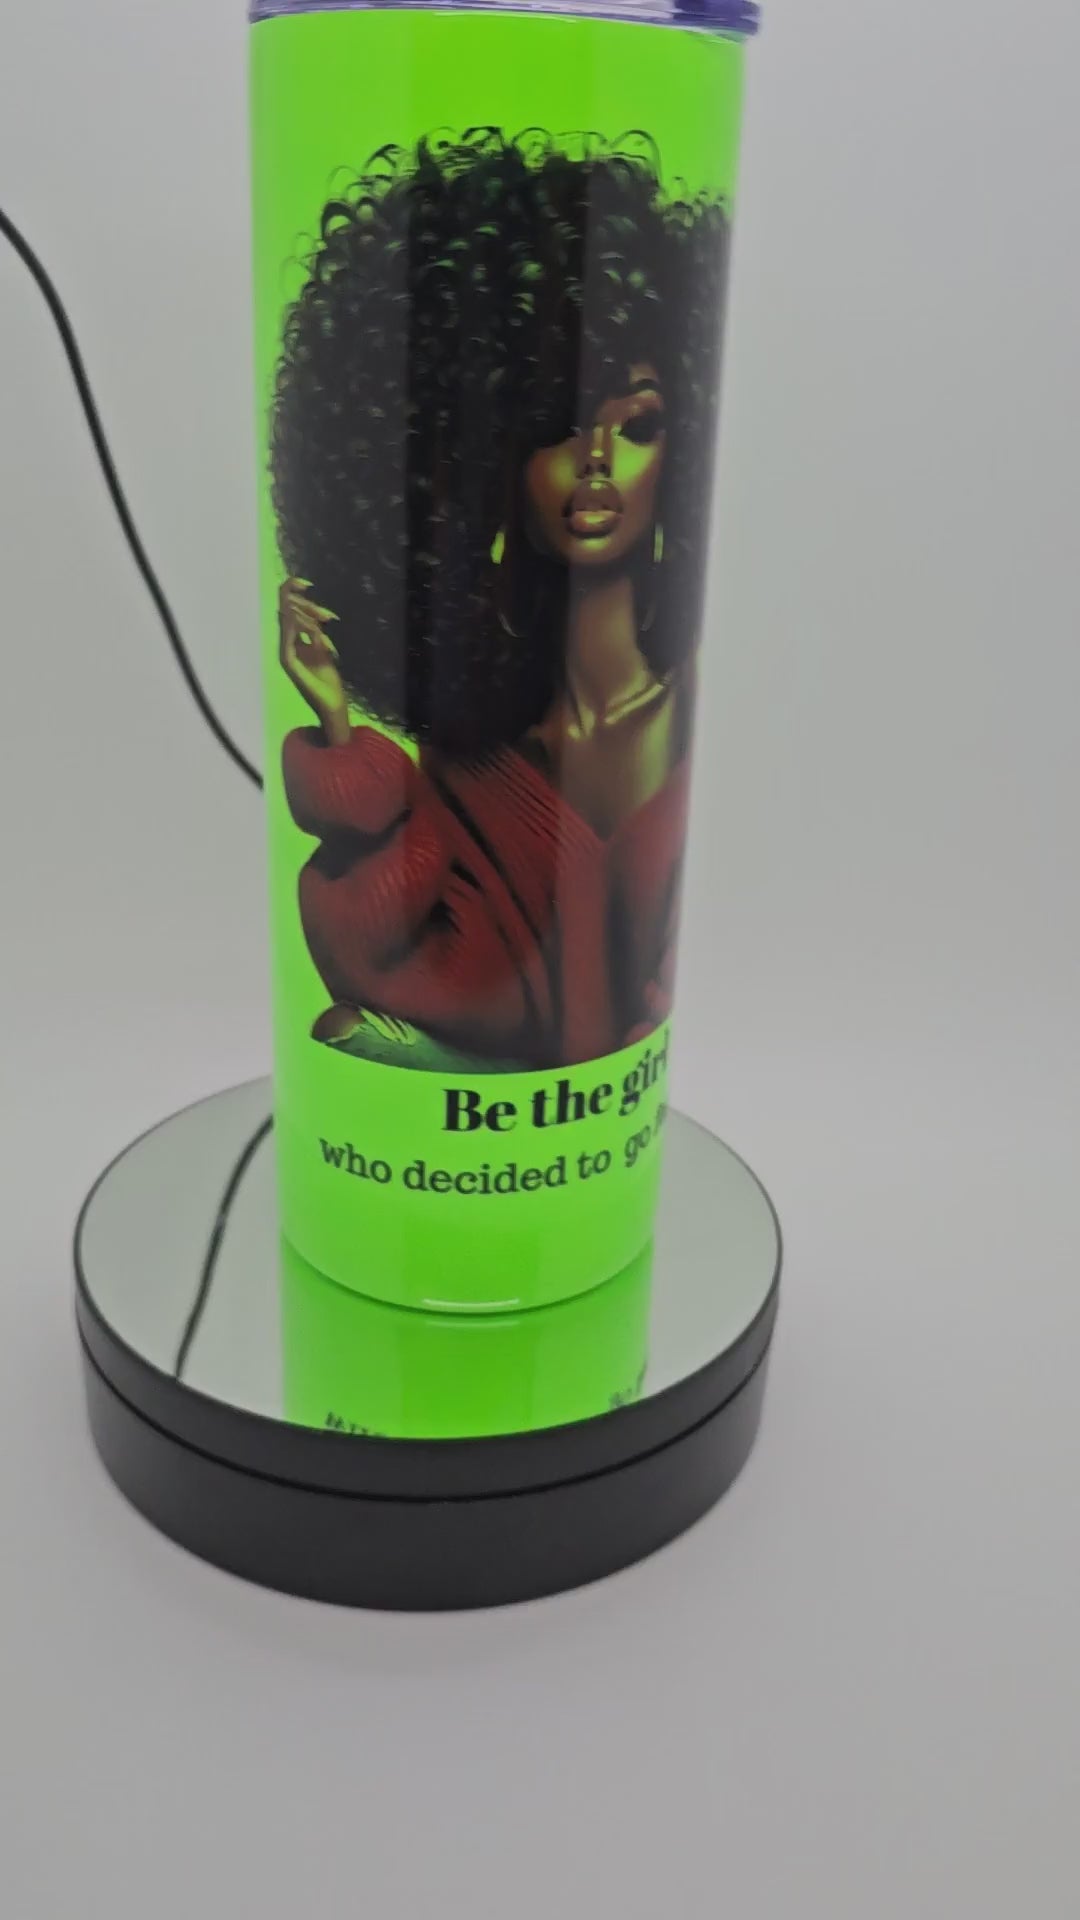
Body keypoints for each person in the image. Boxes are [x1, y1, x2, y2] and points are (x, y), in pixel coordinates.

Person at [272, 132, 729, 1070]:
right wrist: (336, 729)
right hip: (497, 1118)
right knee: (348, 1038)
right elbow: (394, 969)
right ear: (492, 461)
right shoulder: (475, 750)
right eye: (558, 425)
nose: (595, 462)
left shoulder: (688, 703)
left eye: (637, 426)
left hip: (612, 1124)